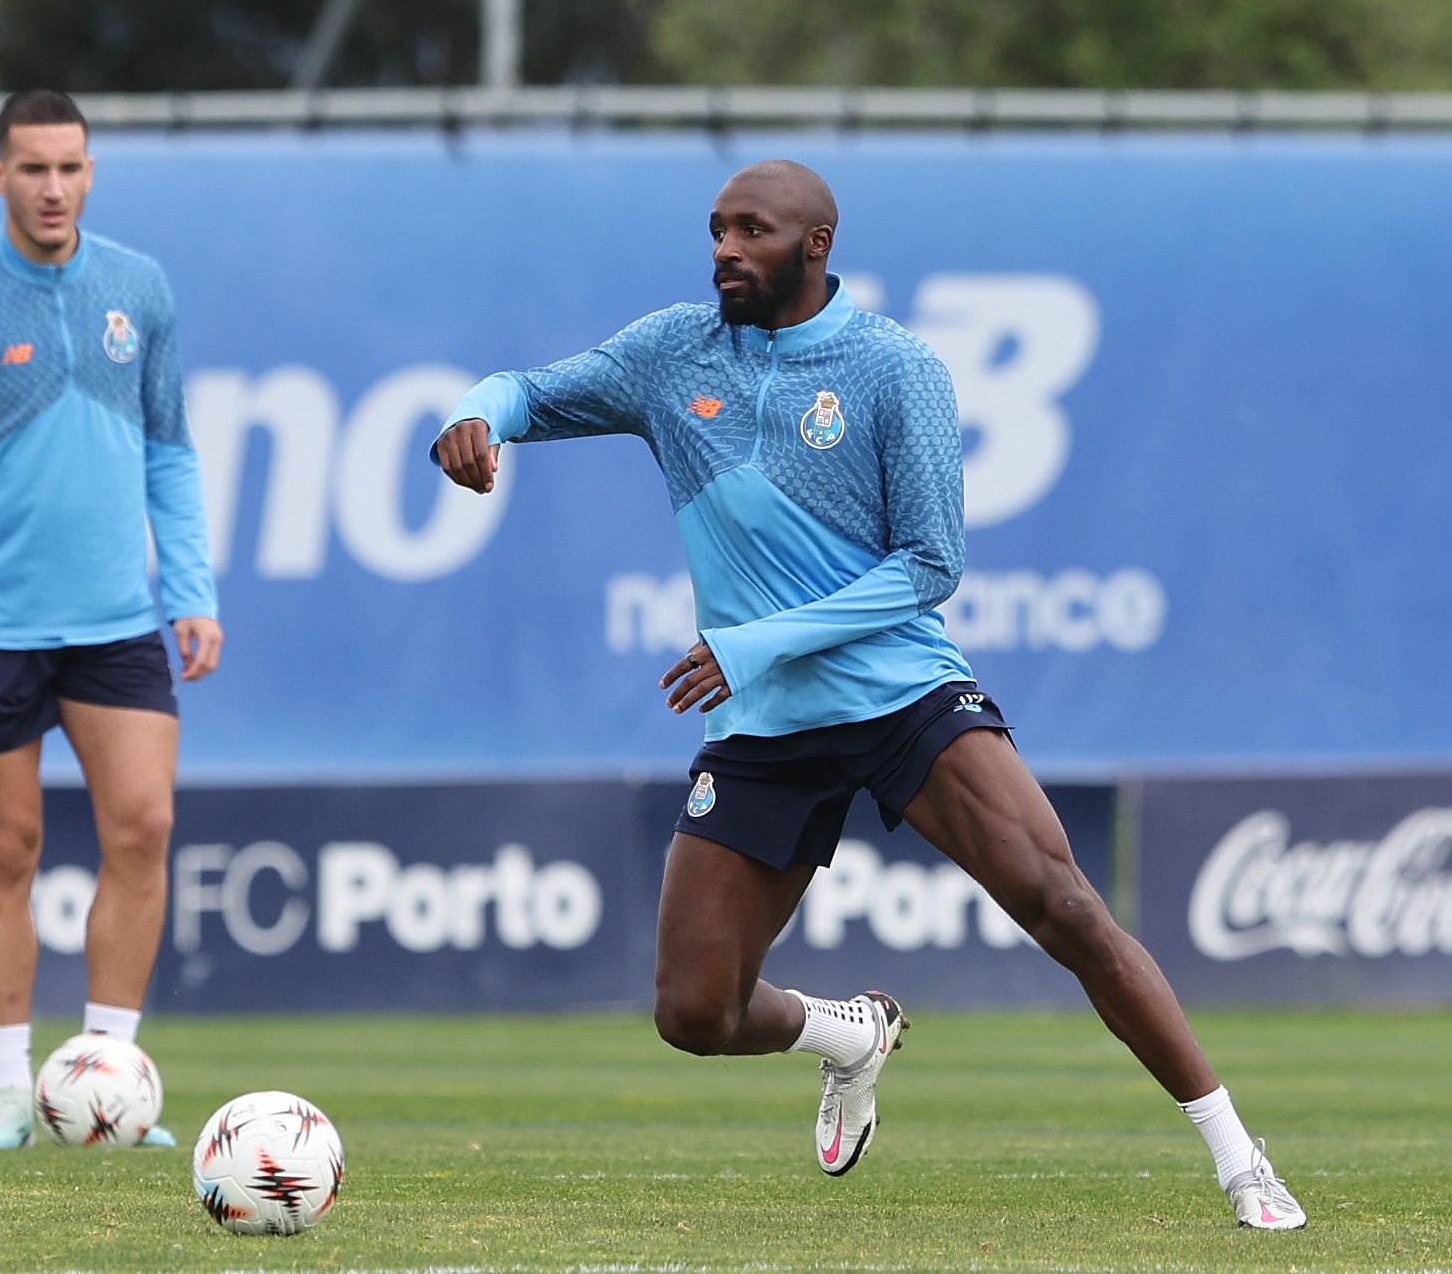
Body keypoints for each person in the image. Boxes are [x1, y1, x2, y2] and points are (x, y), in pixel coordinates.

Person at [430, 159, 1306, 1231]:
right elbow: (526, 391)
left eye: (751, 230)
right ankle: (848, 1035)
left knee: (1066, 907)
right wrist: (473, 416)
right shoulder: (672, 353)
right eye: (716, 229)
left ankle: (1239, 1157)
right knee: (694, 1014)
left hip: (899, 696)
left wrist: (757, 643)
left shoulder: (896, 368)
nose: (725, 250)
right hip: (763, 724)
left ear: (816, 244)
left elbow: (930, 565)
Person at [0, 89, 222, 1150]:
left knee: (144, 828)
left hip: (117, 620)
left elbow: (170, 449)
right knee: (7, 850)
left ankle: (110, 1077)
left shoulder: (138, 288)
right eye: (32, 168)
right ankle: (4, 1093)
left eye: (70, 167)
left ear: (90, 171)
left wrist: (192, 590)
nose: (53, 188)